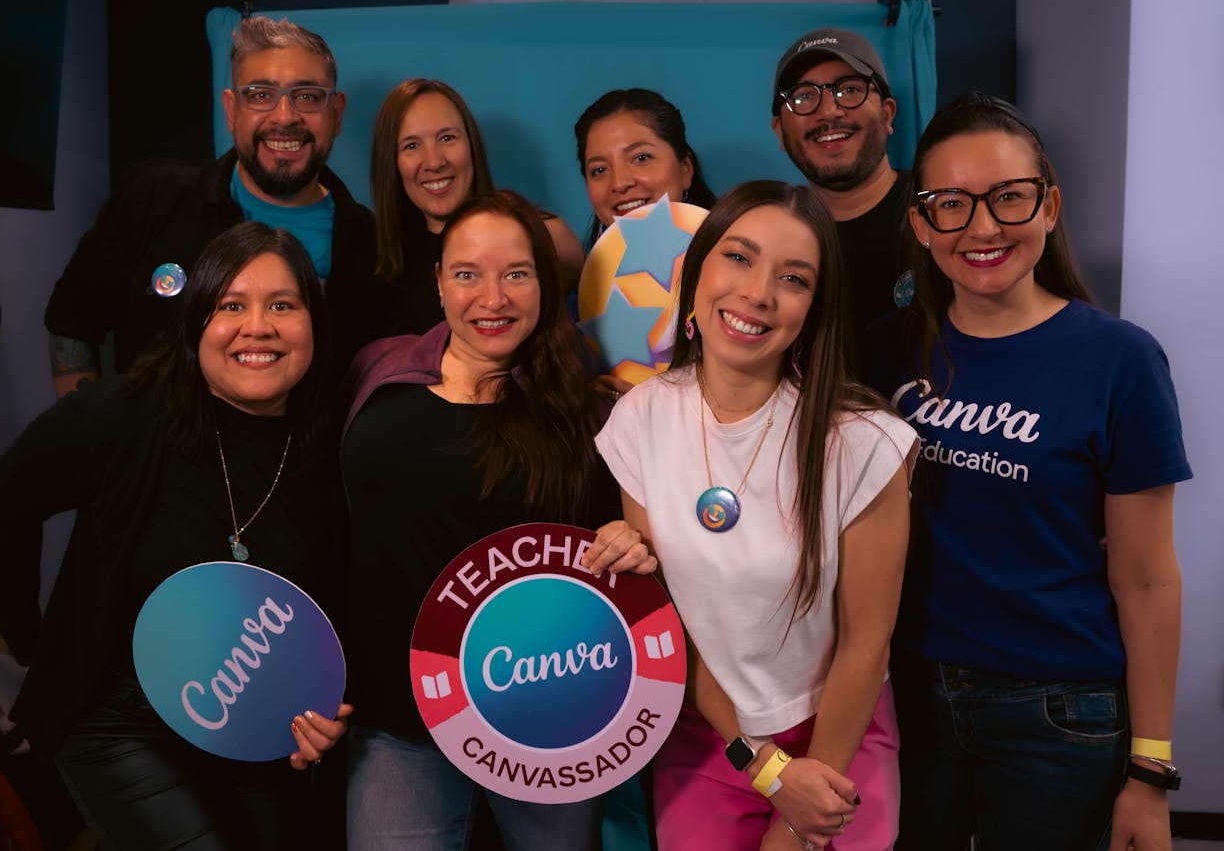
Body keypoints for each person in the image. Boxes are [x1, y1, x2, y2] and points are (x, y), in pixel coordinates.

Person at [864, 92, 1191, 850]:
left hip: (1059, 712)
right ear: (921, 223)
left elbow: (1147, 579)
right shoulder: (884, 352)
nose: (982, 228)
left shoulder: (1121, 361)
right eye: (951, 204)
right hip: (904, 695)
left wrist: (1151, 770)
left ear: (1049, 205)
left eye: (1008, 196)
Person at [0, 223, 354, 849]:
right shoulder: (124, 415)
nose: (257, 327)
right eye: (230, 306)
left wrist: (329, 708)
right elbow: (4, 501)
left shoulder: (336, 447)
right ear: (195, 324)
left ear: (314, 324)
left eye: (282, 305)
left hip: (257, 723)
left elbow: (345, 603)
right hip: (120, 719)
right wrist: (29, 639)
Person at [593, 180, 917, 850]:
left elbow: (866, 646)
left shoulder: (864, 441)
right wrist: (767, 768)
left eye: (793, 278)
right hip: (709, 737)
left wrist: (799, 817)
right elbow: (665, 628)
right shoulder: (640, 418)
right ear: (696, 272)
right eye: (738, 258)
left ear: (814, 308)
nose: (758, 292)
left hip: (840, 736)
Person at [340, 190, 654, 850]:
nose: (493, 297)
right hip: (399, 720)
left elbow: (616, 544)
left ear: (545, 284)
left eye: (516, 273)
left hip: (545, 712)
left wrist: (627, 541)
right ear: (438, 281)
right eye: (467, 274)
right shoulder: (377, 371)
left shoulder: (584, 409)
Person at [45, 15, 381, 395]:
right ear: (231, 110)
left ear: (336, 114)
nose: (285, 116)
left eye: (307, 96)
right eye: (260, 95)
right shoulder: (153, 199)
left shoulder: (373, 245)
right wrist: (88, 425)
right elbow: (72, 323)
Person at [367, 78, 585, 340]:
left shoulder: (534, 233)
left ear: (471, 145)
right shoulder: (372, 260)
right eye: (411, 146)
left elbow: (580, 268)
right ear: (391, 161)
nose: (434, 162)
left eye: (447, 138)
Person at [770, 29, 910, 356]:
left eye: (849, 90)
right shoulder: (772, 237)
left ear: (887, 113)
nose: (829, 111)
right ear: (780, 132)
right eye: (803, 96)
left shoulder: (941, 215)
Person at [574, 87, 717, 249]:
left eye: (641, 158)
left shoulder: (729, 254)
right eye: (599, 170)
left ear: (685, 169)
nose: (619, 183)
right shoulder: (586, 263)